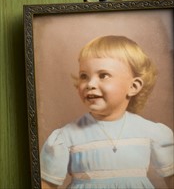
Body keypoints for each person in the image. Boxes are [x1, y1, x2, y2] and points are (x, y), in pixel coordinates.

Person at [41, 35, 174, 189]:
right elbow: (46, 185)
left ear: (133, 87)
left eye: (103, 75)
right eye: (84, 76)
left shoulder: (151, 132)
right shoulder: (66, 137)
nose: (90, 84)